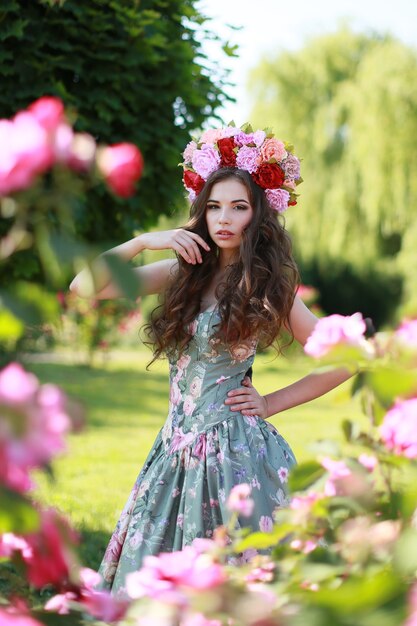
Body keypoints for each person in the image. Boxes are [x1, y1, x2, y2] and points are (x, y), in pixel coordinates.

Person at [70, 124, 350, 596]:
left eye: (238, 207)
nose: (224, 218)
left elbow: (346, 359)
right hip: (173, 449)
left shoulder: (268, 286)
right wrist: (142, 242)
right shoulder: (184, 272)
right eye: (214, 206)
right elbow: (83, 288)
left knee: (236, 587)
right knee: (161, 588)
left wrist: (272, 402)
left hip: (236, 455)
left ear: (258, 216)